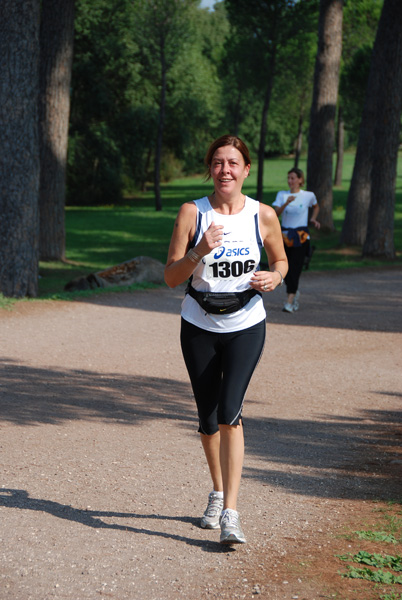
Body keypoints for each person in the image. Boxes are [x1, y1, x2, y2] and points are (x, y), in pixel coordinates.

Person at [164, 135, 288, 544]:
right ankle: (217, 491)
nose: (225, 171)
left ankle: (231, 513)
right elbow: (170, 278)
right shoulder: (191, 213)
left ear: (246, 169)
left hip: (246, 324)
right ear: (210, 168)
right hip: (198, 324)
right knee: (207, 418)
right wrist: (198, 251)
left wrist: (276, 275)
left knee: (230, 413)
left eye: (233, 163)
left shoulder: (262, 215)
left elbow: (280, 258)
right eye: (218, 163)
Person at [272, 168, 320, 313]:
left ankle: (289, 301)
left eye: (293, 178)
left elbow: (316, 206)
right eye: (288, 178)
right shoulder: (282, 195)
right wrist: (286, 203)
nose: (290, 181)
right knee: (285, 269)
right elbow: (275, 214)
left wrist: (313, 218)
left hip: (301, 236)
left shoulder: (308, 195)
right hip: (285, 236)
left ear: (300, 180)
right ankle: (293, 292)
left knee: (295, 268)